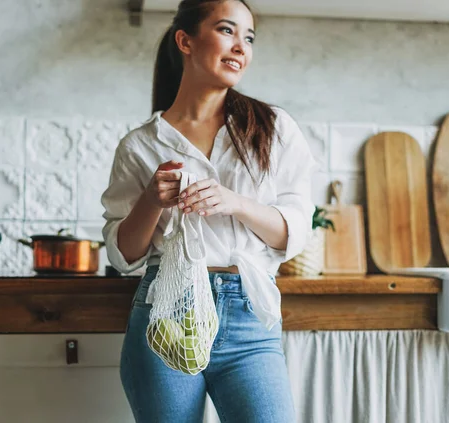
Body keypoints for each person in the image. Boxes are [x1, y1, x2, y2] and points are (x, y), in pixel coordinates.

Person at [101, 0, 315, 421]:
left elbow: (295, 233)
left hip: (250, 321)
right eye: (227, 31)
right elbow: (123, 256)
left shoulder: (273, 128)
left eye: (248, 37)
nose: (241, 47)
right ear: (185, 40)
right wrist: (150, 200)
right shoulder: (140, 145)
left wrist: (236, 203)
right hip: (165, 313)